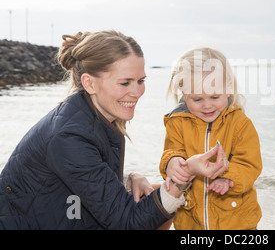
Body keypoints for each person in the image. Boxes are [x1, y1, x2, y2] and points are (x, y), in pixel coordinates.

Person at [0, 31, 228, 230]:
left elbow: (83, 176)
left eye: (141, 80)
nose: (137, 92)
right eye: (125, 83)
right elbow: (128, 223)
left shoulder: (92, 113)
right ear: (89, 83)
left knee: (154, 192)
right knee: (165, 195)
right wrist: (185, 176)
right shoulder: (69, 137)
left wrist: (128, 179)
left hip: (62, 215)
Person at [159, 47, 263, 230]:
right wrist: (172, 161)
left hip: (236, 222)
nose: (207, 105)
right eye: (197, 99)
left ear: (228, 88)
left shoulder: (240, 124)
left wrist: (229, 178)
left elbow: (249, 164)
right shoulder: (177, 122)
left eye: (214, 96)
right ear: (184, 94)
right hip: (191, 222)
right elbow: (172, 151)